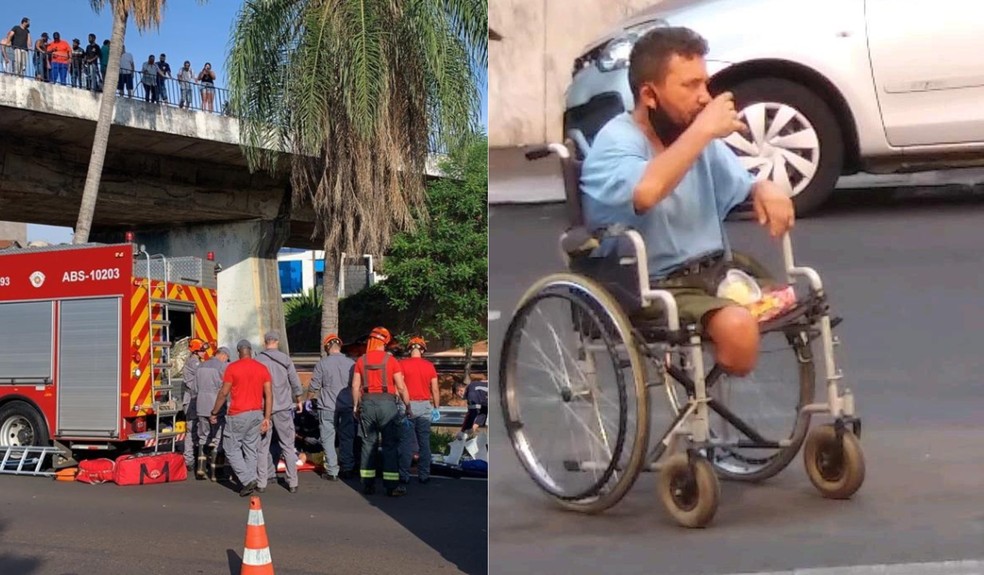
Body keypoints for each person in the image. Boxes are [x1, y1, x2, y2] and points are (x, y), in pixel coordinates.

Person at [579, 27, 795, 377]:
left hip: (714, 269)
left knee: (800, 304)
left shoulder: (691, 134)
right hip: (652, 286)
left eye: (704, 84)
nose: (704, 97)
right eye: (690, 85)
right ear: (649, 95)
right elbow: (647, 192)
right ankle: (702, 395)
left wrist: (763, 188)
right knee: (739, 330)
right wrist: (702, 131)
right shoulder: (617, 142)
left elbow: (742, 185)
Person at [352, 327, 412, 497]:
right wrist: (407, 406)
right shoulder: (391, 361)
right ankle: (391, 486)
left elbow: (356, 386)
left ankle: (368, 485)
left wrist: (355, 406)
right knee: (390, 446)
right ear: (385, 342)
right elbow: (400, 386)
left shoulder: (361, 361)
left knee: (368, 445)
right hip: (388, 405)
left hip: (367, 404)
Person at [210, 339, 273, 497]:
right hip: (257, 413)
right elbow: (269, 395)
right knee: (250, 448)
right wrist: (267, 417)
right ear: (251, 351)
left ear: (239, 352)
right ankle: (250, 480)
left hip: (238, 414)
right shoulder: (262, 368)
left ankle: (247, 480)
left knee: (231, 448)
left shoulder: (232, 368)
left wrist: (214, 411)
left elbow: (224, 393)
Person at [254, 331, 304, 493]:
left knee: (263, 446)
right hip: (283, 407)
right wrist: (299, 399)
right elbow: (295, 382)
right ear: (276, 341)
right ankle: (292, 482)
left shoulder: (258, 360)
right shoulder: (285, 359)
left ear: (265, 342)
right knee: (288, 446)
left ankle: (262, 482)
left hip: (263, 409)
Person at [306, 333, 354, 482]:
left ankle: (332, 470)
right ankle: (347, 467)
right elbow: (356, 384)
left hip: (327, 406)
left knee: (328, 438)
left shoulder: (323, 363)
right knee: (347, 437)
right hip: (347, 406)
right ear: (340, 346)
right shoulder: (351, 363)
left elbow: (314, 385)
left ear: (327, 347)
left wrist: (308, 400)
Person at [398, 336, 440, 485]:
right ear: (422, 350)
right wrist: (436, 407)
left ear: (409, 349)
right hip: (424, 406)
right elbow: (434, 389)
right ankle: (424, 474)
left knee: (406, 443)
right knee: (424, 442)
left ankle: (404, 475)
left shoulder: (402, 364)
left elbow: (399, 387)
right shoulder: (429, 366)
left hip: (407, 405)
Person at [195, 346, 230, 481]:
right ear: (223, 356)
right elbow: (224, 389)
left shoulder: (201, 366)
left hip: (201, 405)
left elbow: (194, 388)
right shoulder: (222, 367)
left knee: (203, 436)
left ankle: (201, 470)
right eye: (227, 358)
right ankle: (217, 473)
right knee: (217, 438)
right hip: (216, 406)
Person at [182, 338, 209, 471]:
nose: (204, 353)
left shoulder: (197, 361)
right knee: (192, 429)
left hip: (195, 399)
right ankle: (189, 460)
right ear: (196, 351)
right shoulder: (194, 362)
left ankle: (191, 459)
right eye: (202, 350)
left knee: (195, 430)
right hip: (192, 400)